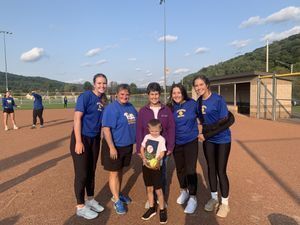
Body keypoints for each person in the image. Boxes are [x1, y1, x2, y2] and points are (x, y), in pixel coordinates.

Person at [70, 73, 108, 220]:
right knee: (82, 173)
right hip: (82, 138)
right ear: (94, 84)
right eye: (99, 83)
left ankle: (90, 199)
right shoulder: (86, 96)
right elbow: (77, 118)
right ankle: (80, 206)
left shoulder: (103, 100)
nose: (102, 86)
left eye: (104, 83)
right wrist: (79, 141)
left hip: (94, 140)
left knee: (91, 171)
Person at [193, 75, 232, 218]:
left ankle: (225, 204)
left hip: (222, 139)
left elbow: (224, 123)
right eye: (196, 85)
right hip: (208, 140)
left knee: (221, 171)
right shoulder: (198, 103)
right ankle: (214, 198)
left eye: (201, 84)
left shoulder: (218, 99)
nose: (198, 88)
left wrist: (206, 135)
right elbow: (198, 120)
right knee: (211, 168)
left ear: (207, 85)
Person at [136, 82, 175, 208]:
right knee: (149, 174)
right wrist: (139, 149)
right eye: (152, 94)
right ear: (148, 95)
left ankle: (161, 198)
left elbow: (171, 129)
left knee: (161, 174)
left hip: (162, 150)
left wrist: (170, 147)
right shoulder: (142, 111)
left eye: (156, 94)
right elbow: (139, 130)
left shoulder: (166, 110)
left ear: (160, 94)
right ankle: (151, 198)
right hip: (148, 151)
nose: (154, 96)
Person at [101, 84, 138, 215]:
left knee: (120, 171)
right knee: (114, 173)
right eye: (122, 94)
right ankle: (116, 199)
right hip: (114, 146)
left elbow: (138, 123)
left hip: (126, 146)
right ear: (116, 95)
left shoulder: (131, 107)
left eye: (127, 94)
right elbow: (106, 129)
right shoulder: (111, 108)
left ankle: (118, 192)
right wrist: (111, 147)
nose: (124, 96)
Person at [167, 83, 199, 214]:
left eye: (178, 92)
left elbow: (204, 116)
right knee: (180, 169)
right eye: (174, 93)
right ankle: (183, 191)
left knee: (190, 169)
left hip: (191, 141)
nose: (176, 95)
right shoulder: (169, 107)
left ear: (183, 93)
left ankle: (193, 198)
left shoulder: (192, 103)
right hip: (177, 143)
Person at [140, 119, 167, 224]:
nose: (154, 133)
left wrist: (157, 160)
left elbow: (162, 153)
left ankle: (162, 210)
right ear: (149, 129)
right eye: (152, 131)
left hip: (156, 168)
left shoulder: (161, 139)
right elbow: (142, 149)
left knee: (158, 190)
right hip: (146, 166)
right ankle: (152, 209)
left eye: (156, 131)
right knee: (149, 188)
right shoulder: (147, 137)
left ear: (160, 129)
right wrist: (143, 158)